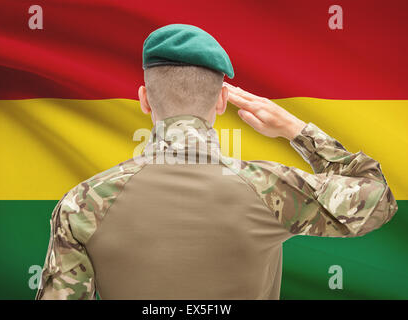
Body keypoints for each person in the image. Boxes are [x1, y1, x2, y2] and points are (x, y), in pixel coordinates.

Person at [36, 24, 397, 300]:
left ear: (145, 100)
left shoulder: (82, 203)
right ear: (223, 100)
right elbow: (377, 198)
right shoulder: (271, 188)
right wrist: (296, 130)